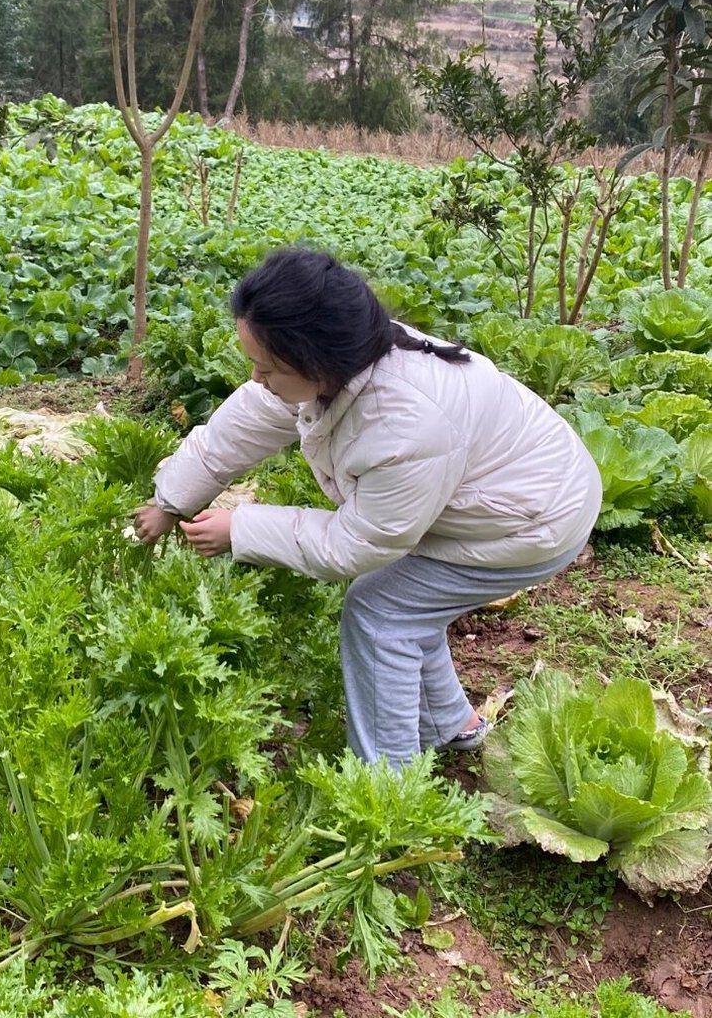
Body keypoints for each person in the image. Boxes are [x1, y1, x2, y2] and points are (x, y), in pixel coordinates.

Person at [133, 247, 602, 768]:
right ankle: (453, 725)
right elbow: (246, 419)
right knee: (409, 603)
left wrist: (240, 528)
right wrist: (170, 500)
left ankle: (390, 788)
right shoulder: (338, 354)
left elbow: (358, 543)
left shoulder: (403, 423)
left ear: (315, 361)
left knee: (381, 613)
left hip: (534, 518)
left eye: (266, 366)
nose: (255, 377)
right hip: (506, 492)